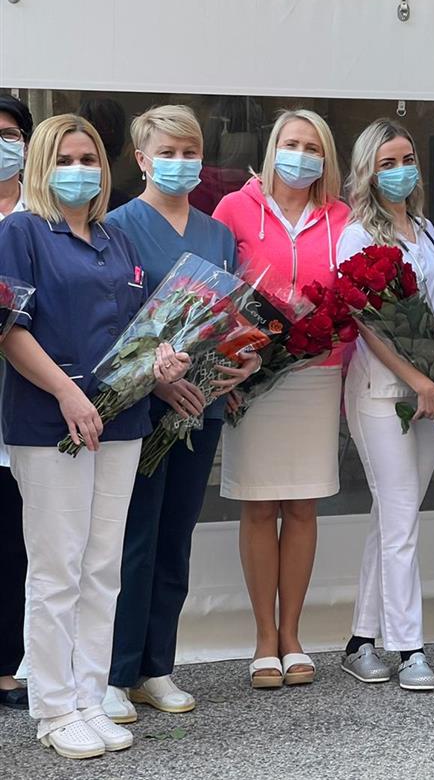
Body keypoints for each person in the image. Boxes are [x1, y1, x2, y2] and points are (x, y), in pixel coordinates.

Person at [0, 114, 188, 759]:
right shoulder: (21, 233)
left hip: (122, 421)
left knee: (102, 566)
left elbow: (140, 327)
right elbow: (10, 330)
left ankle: (88, 697)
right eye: (65, 159)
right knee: (57, 569)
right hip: (50, 423)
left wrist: (162, 360)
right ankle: (54, 709)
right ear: (41, 166)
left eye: (88, 160)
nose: (79, 171)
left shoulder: (116, 238)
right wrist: (66, 392)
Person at [102, 106, 255, 723]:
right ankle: (115, 672)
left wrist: (240, 363)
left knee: (175, 537)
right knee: (134, 539)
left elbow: (227, 316)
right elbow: (114, 323)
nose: (180, 162)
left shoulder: (216, 234)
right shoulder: (116, 227)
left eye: (190, 152)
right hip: (143, 409)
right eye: (167, 152)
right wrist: (157, 383)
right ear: (142, 160)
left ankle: (156, 667)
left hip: (200, 407)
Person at [212, 109, 350, 688]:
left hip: (317, 375)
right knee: (257, 506)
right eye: (292, 144)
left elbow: (354, 295)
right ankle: (263, 638)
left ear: (327, 158)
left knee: (301, 507)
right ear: (273, 149)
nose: (301, 156)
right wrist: (224, 367)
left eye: (313, 147)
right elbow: (212, 292)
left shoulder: (342, 216)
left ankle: (292, 635)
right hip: (249, 377)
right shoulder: (234, 208)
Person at [338, 119, 434, 691]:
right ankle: (410, 647)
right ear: (367, 172)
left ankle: (360, 641)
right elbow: (368, 326)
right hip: (382, 397)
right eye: (386, 163)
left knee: (393, 518)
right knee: (399, 521)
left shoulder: (426, 229)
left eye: (407, 159)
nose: (400, 171)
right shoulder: (357, 236)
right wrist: (418, 381)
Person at [0, 94, 32, 711]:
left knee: (15, 543)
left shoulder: (43, 215)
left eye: (8, 133)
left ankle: (7, 667)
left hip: (31, 397)